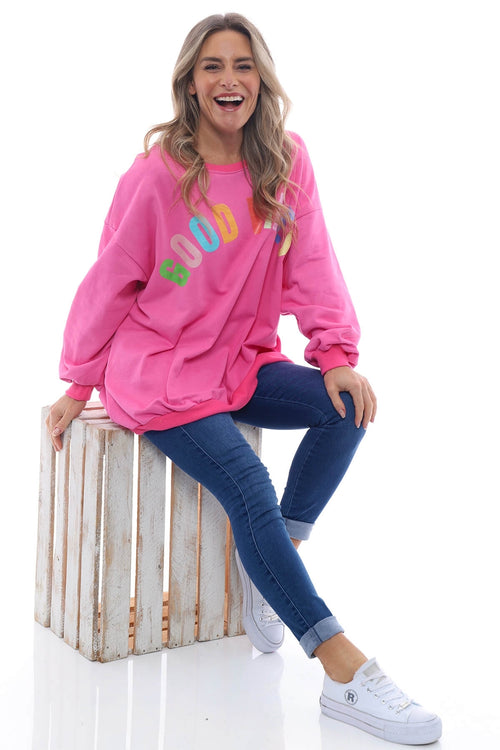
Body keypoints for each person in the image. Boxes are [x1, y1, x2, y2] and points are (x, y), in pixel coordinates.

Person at [46, 13, 442, 745]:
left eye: (243, 65)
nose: (230, 80)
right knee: (250, 486)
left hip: (238, 359)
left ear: (261, 79)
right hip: (160, 370)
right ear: (191, 85)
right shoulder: (157, 175)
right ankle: (344, 671)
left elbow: (314, 261)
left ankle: (273, 564)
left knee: (346, 408)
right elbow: (110, 281)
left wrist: (336, 353)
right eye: (212, 67)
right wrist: (77, 383)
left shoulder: (285, 163)